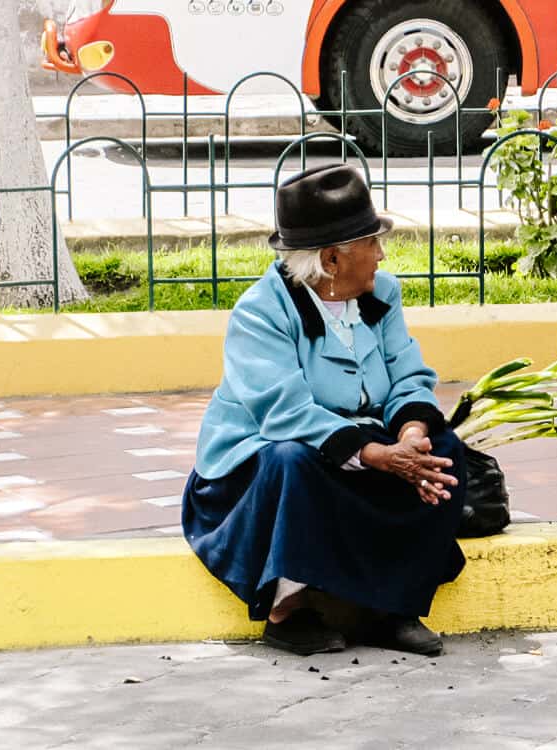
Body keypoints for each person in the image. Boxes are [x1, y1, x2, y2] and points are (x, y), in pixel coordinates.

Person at [182, 164, 466, 657]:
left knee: (444, 452)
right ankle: (286, 610)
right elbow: (285, 414)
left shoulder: (382, 293)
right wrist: (377, 453)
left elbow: (408, 374)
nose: (381, 254)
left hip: (359, 440)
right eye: (371, 243)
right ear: (332, 259)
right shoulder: (261, 311)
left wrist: (412, 433)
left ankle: (392, 605)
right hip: (260, 464)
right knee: (293, 462)